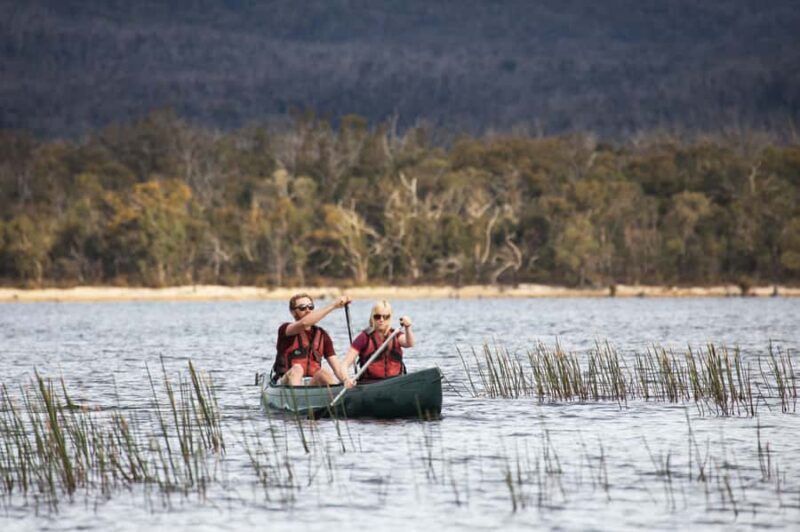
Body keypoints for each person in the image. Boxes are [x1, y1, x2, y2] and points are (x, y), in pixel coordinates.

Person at [272, 293, 355, 388]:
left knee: (323, 373)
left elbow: (337, 368)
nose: (308, 310)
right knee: (297, 369)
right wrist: (334, 306)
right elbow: (304, 323)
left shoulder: (322, 335)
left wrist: (346, 380)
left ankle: (340, 397)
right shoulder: (285, 329)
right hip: (286, 382)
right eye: (302, 308)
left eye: (310, 307)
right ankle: (298, 399)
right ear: (293, 312)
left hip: (311, 383)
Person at [342, 300, 414, 381]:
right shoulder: (364, 337)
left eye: (385, 317)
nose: (381, 320)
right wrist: (346, 379)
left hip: (396, 380)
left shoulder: (396, 335)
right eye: (377, 316)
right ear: (372, 317)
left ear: (390, 318)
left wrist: (408, 327)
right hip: (370, 383)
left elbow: (409, 343)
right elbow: (344, 365)